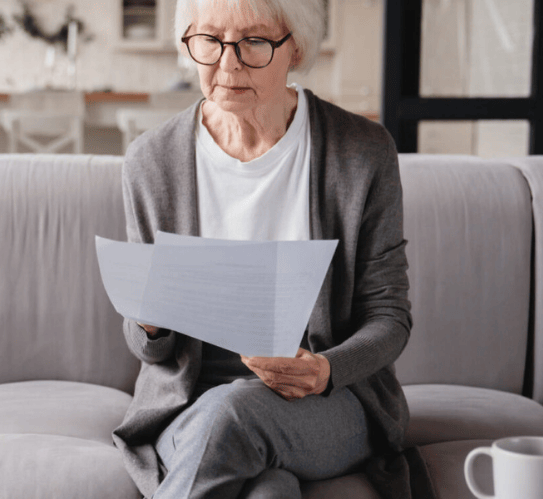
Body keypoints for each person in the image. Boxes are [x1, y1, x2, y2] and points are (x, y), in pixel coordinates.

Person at [111, 0, 417, 498]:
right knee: (269, 491)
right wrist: (150, 321)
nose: (227, 65)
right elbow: (151, 348)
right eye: (208, 40)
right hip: (189, 401)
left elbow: (389, 317)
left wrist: (326, 370)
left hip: (327, 399)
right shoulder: (152, 161)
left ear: (295, 46)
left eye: (254, 42)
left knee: (234, 412)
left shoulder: (361, 152)